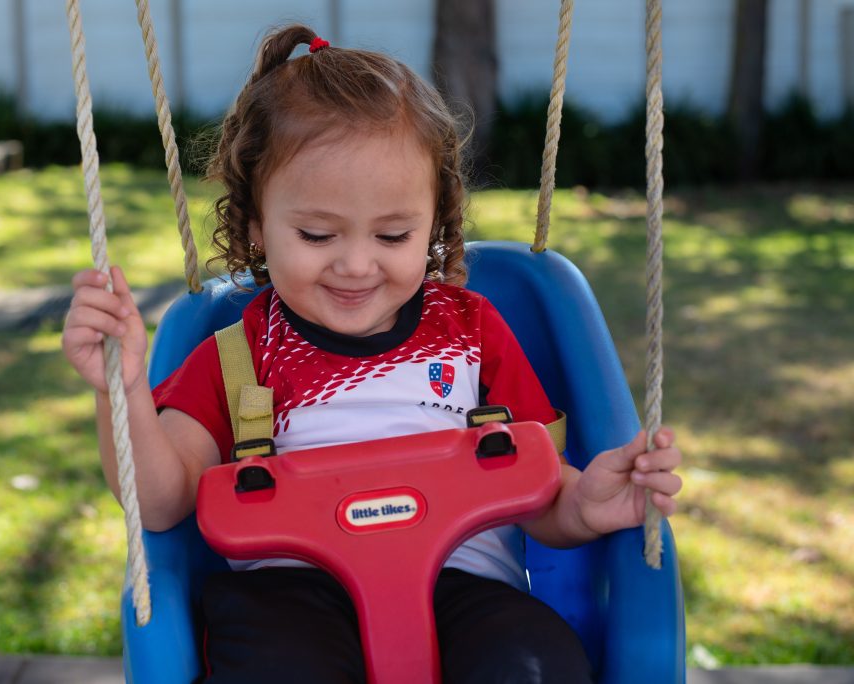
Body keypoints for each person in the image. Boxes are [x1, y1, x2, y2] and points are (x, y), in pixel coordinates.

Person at [62, 24, 682, 683]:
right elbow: (160, 502)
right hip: (291, 600)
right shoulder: (240, 356)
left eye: (392, 234)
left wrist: (585, 504)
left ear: (434, 223)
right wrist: (121, 389)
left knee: (535, 664)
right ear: (255, 227)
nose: (356, 264)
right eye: (317, 233)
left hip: (465, 586)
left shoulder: (471, 334)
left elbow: (534, 486)